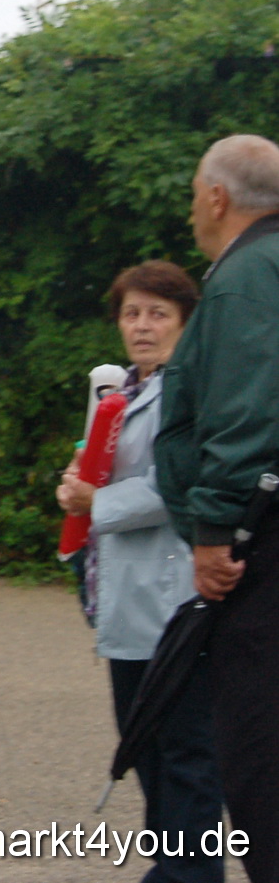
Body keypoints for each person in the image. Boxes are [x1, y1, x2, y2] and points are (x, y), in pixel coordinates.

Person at [56, 262, 221, 883]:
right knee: (144, 748)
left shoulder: (192, 388)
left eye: (158, 314)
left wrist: (97, 505)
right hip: (123, 602)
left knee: (187, 758)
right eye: (132, 313)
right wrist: (76, 490)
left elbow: (178, 485)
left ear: (184, 322)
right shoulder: (118, 390)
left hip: (175, 599)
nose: (142, 326)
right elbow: (102, 471)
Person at [156, 134, 279, 883]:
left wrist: (212, 531)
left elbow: (246, 415)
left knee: (260, 759)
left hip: (259, 549)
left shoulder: (245, 278)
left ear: (215, 196)